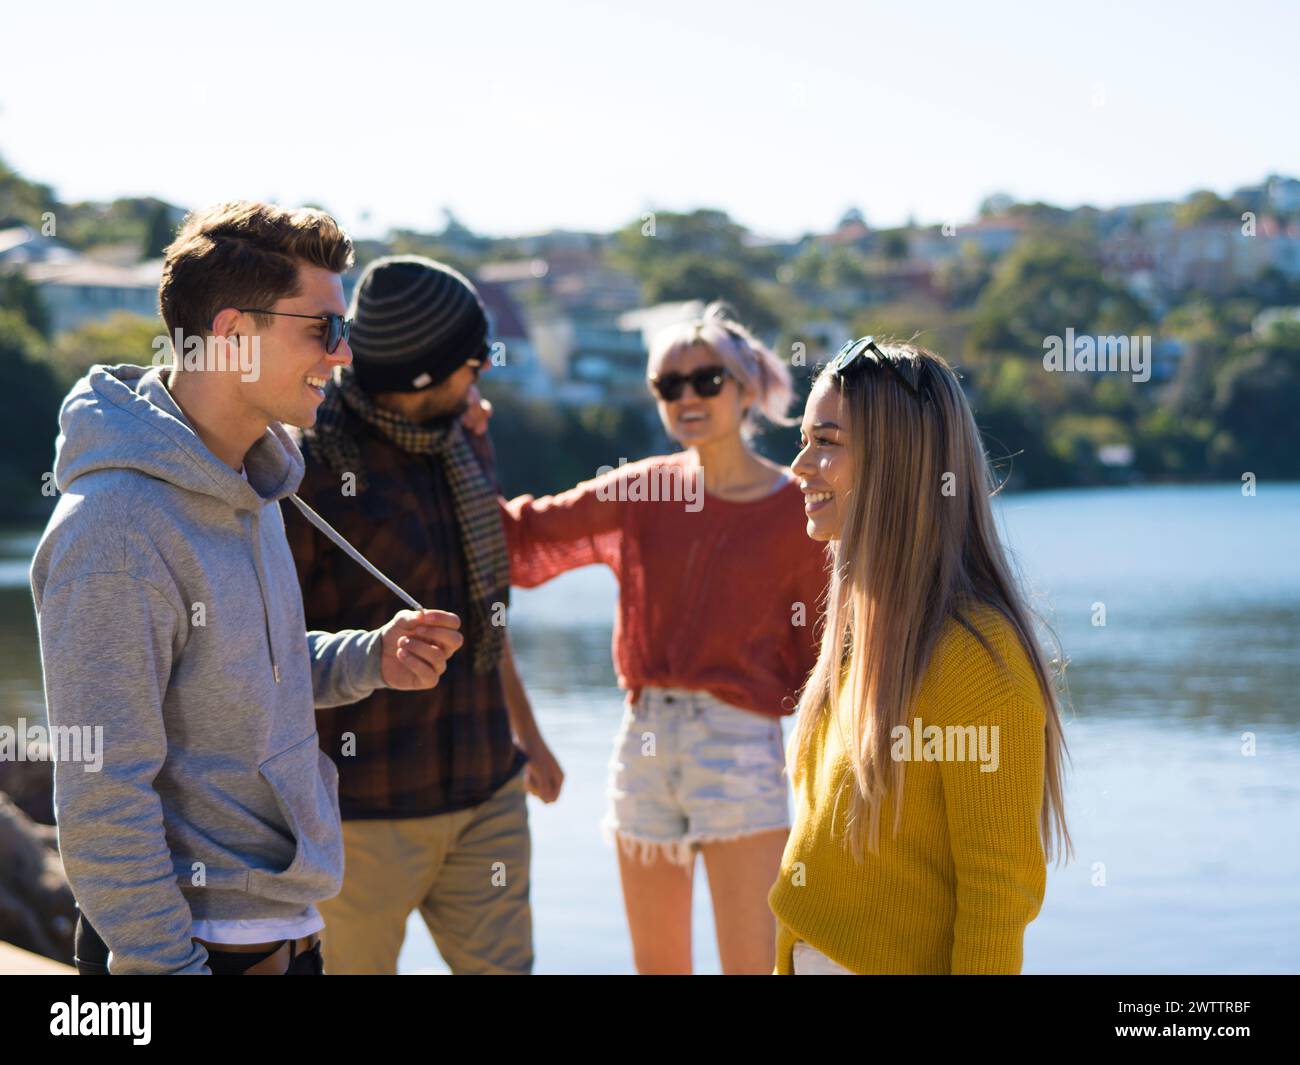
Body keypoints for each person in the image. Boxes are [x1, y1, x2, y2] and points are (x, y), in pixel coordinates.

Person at [29, 202, 463, 975]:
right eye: (323, 329)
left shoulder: (246, 482)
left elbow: (237, 665)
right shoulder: (117, 528)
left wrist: (371, 656)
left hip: (290, 938)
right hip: (196, 958)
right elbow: (101, 796)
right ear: (232, 334)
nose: (341, 356)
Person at [500, 302, 826, 974]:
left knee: (755, 966)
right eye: (667, 385)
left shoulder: (799, 509)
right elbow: (523, 535)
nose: (687, 397)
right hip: (642, 743)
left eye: (705, 380)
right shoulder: (644, 488)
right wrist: (456, 447)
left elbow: (831, 654)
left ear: (745, 388)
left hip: (741, 746)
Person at [284, 255, 561, 975]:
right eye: (471, 363)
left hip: (487, 791)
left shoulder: (464, 438)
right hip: (358, 819)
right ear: (421, 376)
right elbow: (270, 647)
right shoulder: (306, 463)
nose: (483, 376)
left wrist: (528, 737)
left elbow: (485, 612)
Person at [769, 336, 1073, 975]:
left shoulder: (976, 662)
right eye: (805, 438)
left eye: (826, 442)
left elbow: (997, 894)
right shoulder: (865, 632)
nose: (798, 465)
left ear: (896, 464)